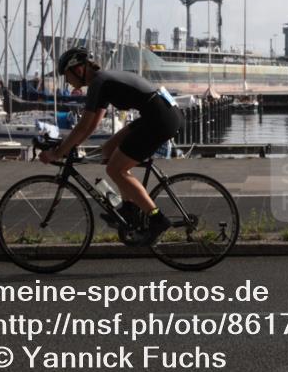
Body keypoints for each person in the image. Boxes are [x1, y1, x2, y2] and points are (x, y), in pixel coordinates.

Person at [38, 47, 183, 245]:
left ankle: (157, 219)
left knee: (116, 169)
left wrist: (58, 153)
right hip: (160, 113)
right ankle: (129, 209)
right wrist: (71, 146)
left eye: (66, 76)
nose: (67, 81)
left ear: (78, 70)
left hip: (160, 119)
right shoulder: (101, 82)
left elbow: (82, 126)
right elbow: (91, 125)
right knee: (108, 150)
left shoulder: (99, 83)